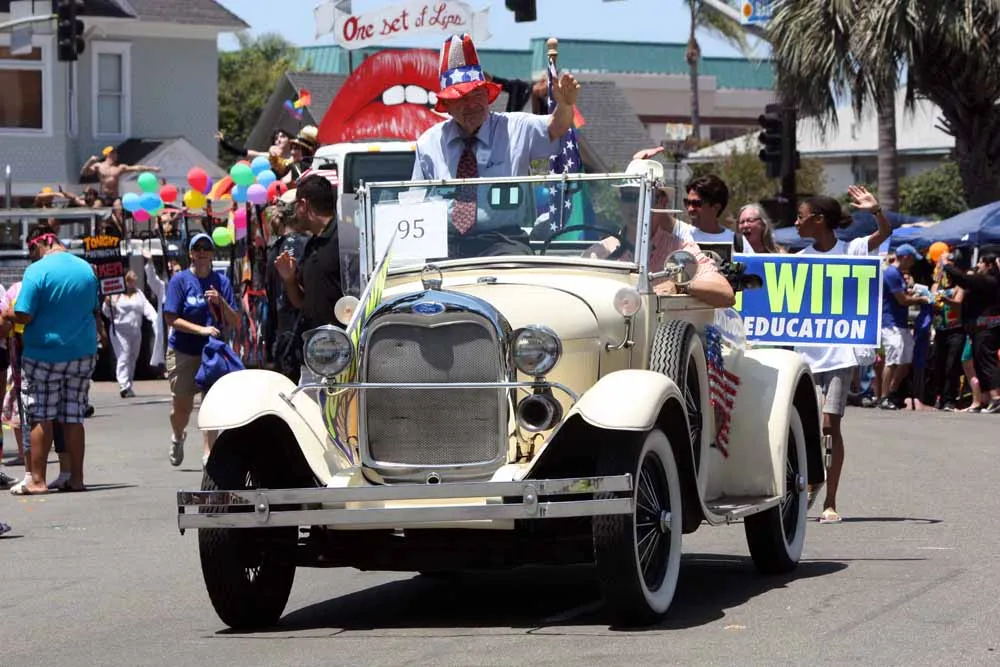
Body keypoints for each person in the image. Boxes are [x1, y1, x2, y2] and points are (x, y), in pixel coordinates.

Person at [410, 33, 580, 257]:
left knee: (513, 267)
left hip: (503, 240)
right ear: (447, 105)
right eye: (461, 98)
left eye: (477, 93)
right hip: (445, 242)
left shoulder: (515, 127)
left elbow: (556, 128)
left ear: (488, 96)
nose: (472, 104)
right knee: (425, 273)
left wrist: (565, 105)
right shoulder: (428, 144)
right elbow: (413, 206)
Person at [792, 187, 891, 524]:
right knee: (808, 426)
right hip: (807, 356)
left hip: (840, 355)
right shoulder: (800, 259)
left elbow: (884, 233)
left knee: (829, 424)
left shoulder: (853, 250)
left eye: (801, 217)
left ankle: (830, 500)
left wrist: (875, 211)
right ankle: (810, 481)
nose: (796, 223)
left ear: (819, 220)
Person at [5, 224, 104, 495]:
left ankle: (37, 480)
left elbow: (24, 314)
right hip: (82, 353)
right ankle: (77, 478)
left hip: (44, 355)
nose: (31, 257)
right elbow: (94, 310)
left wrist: (8, 315)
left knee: (41, 416)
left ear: (39, 244)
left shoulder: (36, 271)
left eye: (31, 251)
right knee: (73, 416)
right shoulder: (86, 269)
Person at [582, 159, 735, 308]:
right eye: (629, 196)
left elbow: (726, 294)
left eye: (646, 197)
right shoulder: (602, 252)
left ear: (663, 202)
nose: (636, 205)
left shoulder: (678, 248)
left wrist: (680, 284)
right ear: (620, 202)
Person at [163, 233, 240, 468]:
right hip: (184, 351)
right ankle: (178, 435)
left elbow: (235, 321)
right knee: (182, 409)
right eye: (198, 248)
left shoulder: (221, 282)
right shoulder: (180, 281)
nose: (203, 252)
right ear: (191, 254)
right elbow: (170, 318)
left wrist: (221, 302)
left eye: (207, 248)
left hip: (213, 353)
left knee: (210, 404)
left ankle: (209, 453)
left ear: (212, 254)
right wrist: (201, 330)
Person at [274, 176, 343, 338]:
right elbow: (301, 302)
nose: (294, 214)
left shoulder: (344, 241)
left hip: (343, 344)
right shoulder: (311, 245)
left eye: (296, 205)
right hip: (315, 345)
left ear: (304, 205)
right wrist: (290, 279)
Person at [942, 252, 1000, 413]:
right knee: (980, 363)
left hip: (986, 328)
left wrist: (946, 265)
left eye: (981, 262)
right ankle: (986, 400)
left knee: (987, 362)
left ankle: (996, 398)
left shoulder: (989, 280)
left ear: (989, 265)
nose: (978, 265)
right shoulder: (987, 281)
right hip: (979, 328)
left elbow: (963, 279)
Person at [879, 244, 930, 410]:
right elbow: (902, 300)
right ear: (906, 257)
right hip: (891, 323)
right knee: (893, 360)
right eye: (912, 259)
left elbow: (902, 295)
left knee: (906, 359)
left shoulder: (899, 274)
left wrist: (912, 294)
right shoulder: (892, 273)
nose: (913, 263)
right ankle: (884, 397)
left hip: (900, 322)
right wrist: (921, 299)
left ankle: (892, 392)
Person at [264, 201, 310, 382]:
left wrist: (269, 346)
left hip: (282, 334)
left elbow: (270, 300)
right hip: (306, 333)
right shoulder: (308, 244)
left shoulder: (273, 250)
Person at [103, 271, 158, 398]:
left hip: (135, 331)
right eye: (130, 281)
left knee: (132, 357)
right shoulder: (115, 295)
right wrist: (107, 303)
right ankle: (123, 385)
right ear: (125, 281)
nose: (133, 283)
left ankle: (128, 384)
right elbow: (106, 312)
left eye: (134, 281)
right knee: (124, 356)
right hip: (119, 331)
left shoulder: (139, 294)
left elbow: (147, 308)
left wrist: (155, 319)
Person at [930, 249, 966, 410]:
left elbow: (958, 305)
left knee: (951, 366)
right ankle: (939, 397)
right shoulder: (936, 285)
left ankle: (949, 399)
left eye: (949, 265)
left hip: (955, 330)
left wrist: (946, 300)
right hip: (940, 330)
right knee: (938, 365)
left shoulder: (960, 285)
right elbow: (932, 302)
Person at [80, 146, 160, 205]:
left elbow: (137, 168)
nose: (116, 155)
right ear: (108, 155)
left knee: (118, 207)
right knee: (96, 207)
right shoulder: (99, 166)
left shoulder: (120, 167)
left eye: (115, 153)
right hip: (103, 196)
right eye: (113, 153)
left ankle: (119, 223)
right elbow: (84, 173)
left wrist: (152, 168)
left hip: (114, 197)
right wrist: (90, 161)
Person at [216, 128, 293, 178]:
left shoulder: (296, 157)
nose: (279, 140)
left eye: (282, 136)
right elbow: (244, 152)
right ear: (274, 143)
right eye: (276, 138)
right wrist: (225, 145)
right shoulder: (269, 157)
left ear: (289, 139)